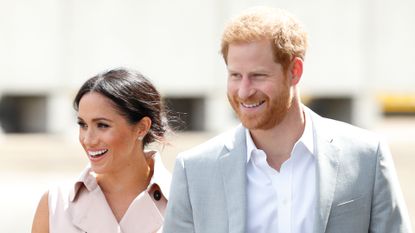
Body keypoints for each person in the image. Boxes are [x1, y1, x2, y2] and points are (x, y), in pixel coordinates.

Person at [163, 6, 412, 233]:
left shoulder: (366, 156)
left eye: (258, 76)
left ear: (295, 71)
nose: (244, 91)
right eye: (235, 75)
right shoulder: (194, 170)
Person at [32, 68, 171, 233]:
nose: (88, 140)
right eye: (83, 125)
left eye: (102, 125)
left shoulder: (184, 200)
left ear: (141, 128)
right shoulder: (55, 204)